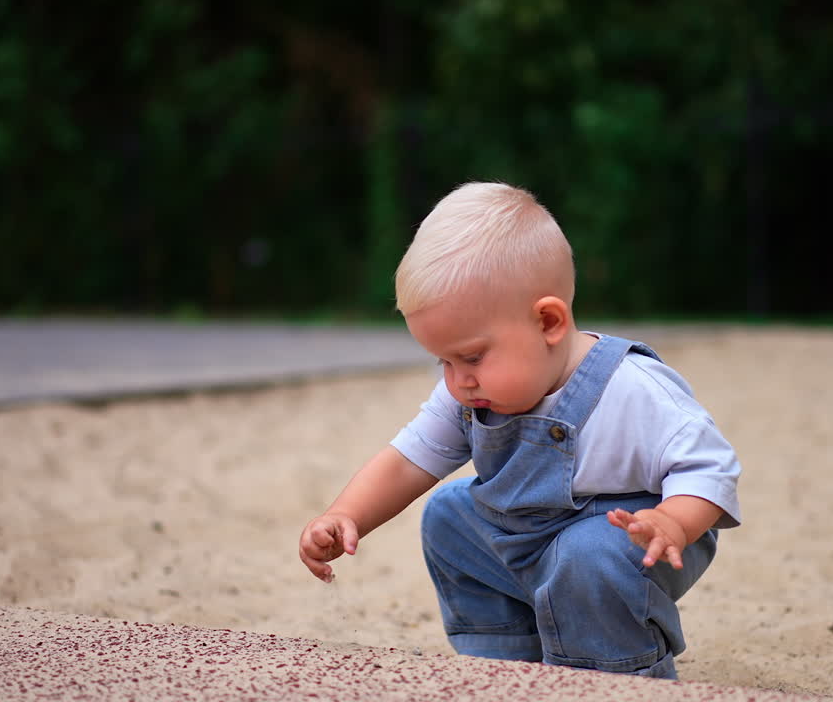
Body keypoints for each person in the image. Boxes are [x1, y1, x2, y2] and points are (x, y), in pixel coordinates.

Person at [297, 181, 741, 679]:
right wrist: (345, 514)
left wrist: (674, 521)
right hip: (526, 534)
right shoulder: (470, 391)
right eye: (443, 361)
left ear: (548, 322)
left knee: (585, 554)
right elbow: (407, 460)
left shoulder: (631, 389)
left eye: (470, 356)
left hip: (632, 537)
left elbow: (710, 467)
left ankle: (615, 677)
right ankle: (509, 669)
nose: (458, 380)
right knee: (447, 514)